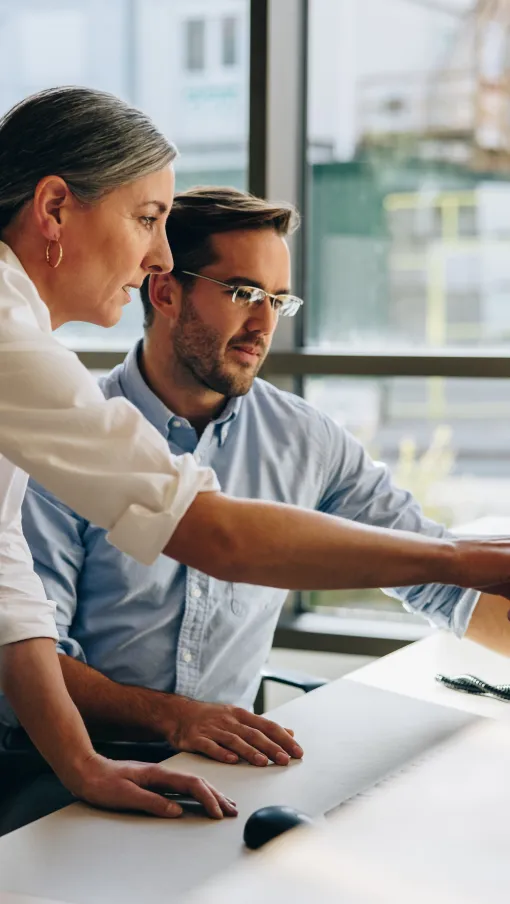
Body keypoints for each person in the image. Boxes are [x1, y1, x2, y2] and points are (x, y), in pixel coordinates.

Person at [1, 88, 510, 825]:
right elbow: (216, 535)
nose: (156, 257)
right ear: (53, 209)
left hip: (162, 770)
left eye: (280, 299)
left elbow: (7, 590)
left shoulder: (301, 434)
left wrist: (87, 768)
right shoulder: (32, 368)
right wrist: (462, 558)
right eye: (146, 219)